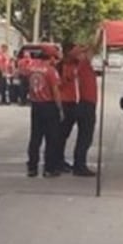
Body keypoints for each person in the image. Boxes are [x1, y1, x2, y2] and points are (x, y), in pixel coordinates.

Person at [26, 46, 64, 178]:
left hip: (35, 105)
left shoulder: (32, 68)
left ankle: (32, 168)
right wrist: (60, 108)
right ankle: (49, 168)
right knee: (51, 138)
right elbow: (55, 90)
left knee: (35, 138)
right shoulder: (51, 71)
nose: (56, 60)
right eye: (55, 58)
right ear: (51, 57)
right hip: (49, 106)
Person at [70, 38, 100, 177]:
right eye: (84, 52)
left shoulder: (83, 66)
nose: (88, 54)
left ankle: (79, 164)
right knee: (85, 137)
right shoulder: (83, 65)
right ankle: (79, 166)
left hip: (87, 103)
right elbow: (94, 47)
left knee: (85, 137)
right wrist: (99, 34)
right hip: (86, 104)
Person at [57, 42, 80, 172]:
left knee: (65, 134)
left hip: (73, 101)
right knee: (60, 134)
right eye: (75, 51)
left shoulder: (76, 64)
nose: (78, 53)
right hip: (64, 102)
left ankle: (61, 159)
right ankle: (57, 160)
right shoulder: (61, 66)